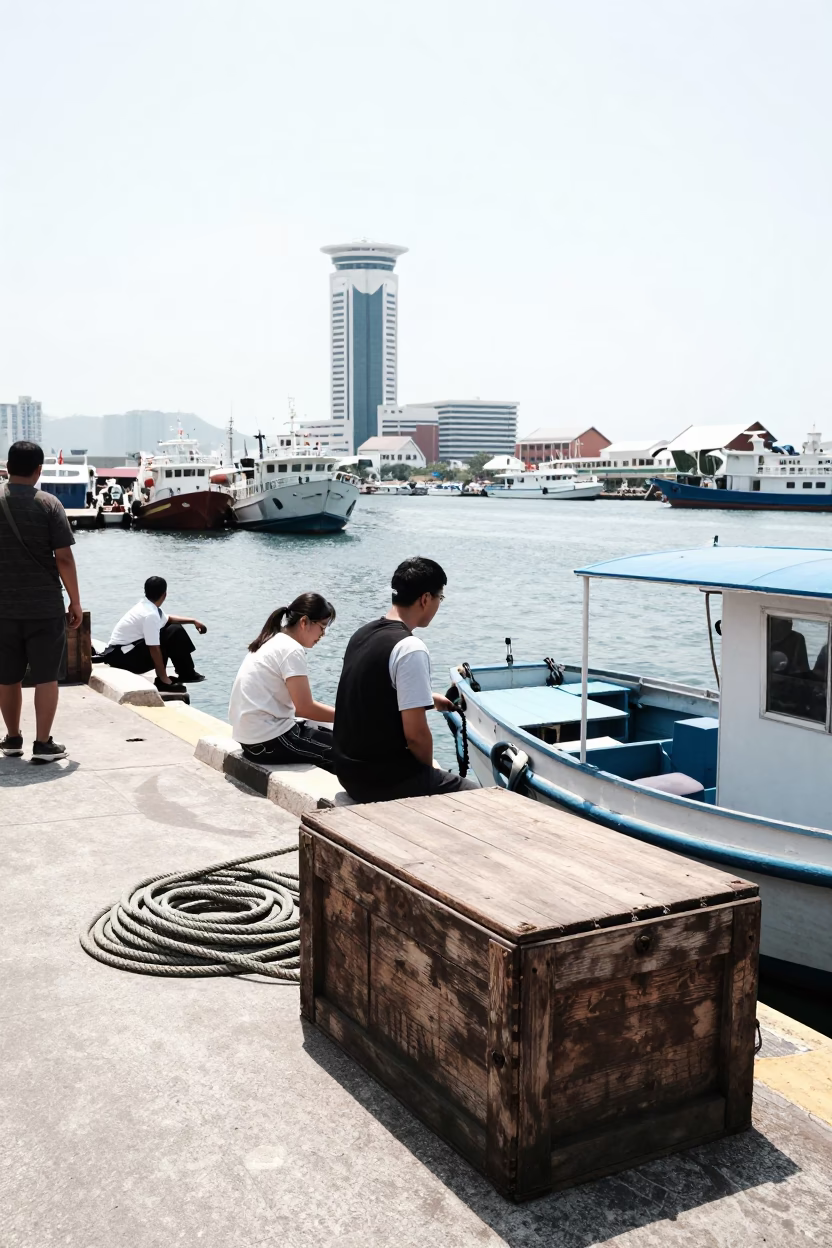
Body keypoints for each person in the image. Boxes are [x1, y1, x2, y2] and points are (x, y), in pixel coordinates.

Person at [332, 556, 477, 802]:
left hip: (348, 772)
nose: (438, 604)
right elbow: (416, 736)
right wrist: (428, 773)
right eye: (440, 598)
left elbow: (372, 692)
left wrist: (427, 700)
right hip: (381, 780)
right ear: (425, 599)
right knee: (479, 797)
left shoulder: (362, 633)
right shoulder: (410, 647)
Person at [0, 440, 83, 762]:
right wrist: (75, 602)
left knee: (7, 676)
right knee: (46, 676)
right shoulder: (49, 504)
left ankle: (12, 739)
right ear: (38, 470)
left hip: (3, 609)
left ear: (7, 466)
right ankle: (43, 743)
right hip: (43, 607)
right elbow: (63, 558)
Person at [228, 593, 336, 770]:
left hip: (250, 740)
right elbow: (305, 708)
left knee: (328, 730)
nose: (323, 634)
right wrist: (349, 717)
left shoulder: (271, 640)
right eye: (322, 627)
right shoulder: (291, 649)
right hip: (270, 741)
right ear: (304, 622)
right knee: (347, 751)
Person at [100, 576, 207, 690]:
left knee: (174, 628)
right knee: (170, 636)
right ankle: (163, 682)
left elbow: (168, 619)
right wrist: (164, 679)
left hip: (122, 654)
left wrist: (193, 621)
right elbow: (154, 648)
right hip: (122, 659)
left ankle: (186, 673)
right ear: (165, 594)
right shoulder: (150, 615)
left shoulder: (147, 606)